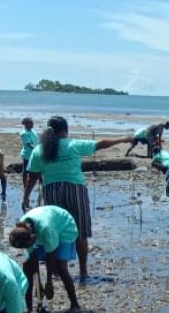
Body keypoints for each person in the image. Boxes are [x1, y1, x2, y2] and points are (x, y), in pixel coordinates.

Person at [23, 116, 132, 279]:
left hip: (51, 190)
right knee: (80, 231)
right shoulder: (73, 145)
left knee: (56, 231)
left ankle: (58, 271)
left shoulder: (39, 150)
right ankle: (83, 271)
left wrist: (26, 196)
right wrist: (124, 139)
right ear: (65, 131)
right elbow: (100, 144)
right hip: (75, 190)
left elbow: (32, 176)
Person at [8, 205, 80, 313]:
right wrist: (38, 284)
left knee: (60, 267)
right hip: (46, 226)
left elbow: (50, 257)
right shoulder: (22, 228)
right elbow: (33, 258)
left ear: (33, 237)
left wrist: (48, 282)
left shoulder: (45, 229)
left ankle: (75, 304)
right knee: (28, 267)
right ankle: (29, 308)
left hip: (65, 226)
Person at [19, 118, 39, 185]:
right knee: (26, 171)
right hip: (28, 154)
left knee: (37, 170)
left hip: (35, 153)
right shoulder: (24, 133)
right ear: (26, 124)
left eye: (32, 123)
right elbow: (29, 144)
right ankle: (25, 185)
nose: (32, 125)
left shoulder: (33, 130)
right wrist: (37, 149)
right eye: (31, 123)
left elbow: (36, 140)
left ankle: (37, 184)